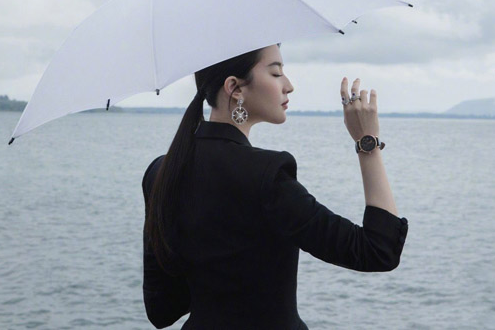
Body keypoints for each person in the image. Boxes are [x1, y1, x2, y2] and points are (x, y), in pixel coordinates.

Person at [142, 43, 408, 329]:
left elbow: (162, 309)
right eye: (276, 73)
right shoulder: (266, 175)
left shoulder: (161, 172)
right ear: (235, 88)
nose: (289, 86)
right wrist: (367, 142)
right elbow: (378, 250)